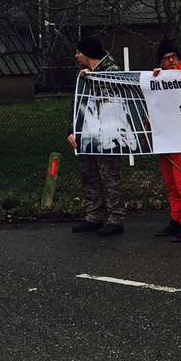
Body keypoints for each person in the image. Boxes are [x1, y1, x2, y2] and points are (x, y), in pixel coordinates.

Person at [67, 36, 125, 237]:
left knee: (109, 174)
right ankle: (94, 215)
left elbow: (114, 97)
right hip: (87, 132)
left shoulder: (112, 71)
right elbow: (77, 104)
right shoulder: (82, 75)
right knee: (89, 173)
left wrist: (91, 79)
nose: (76, 56)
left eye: (78, 52)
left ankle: (115, 218)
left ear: (87, 54)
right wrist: (71, 130)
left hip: (108, 132)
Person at [150, 40, 181, 243]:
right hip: (165, 137)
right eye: (166, 58)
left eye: (174, 57)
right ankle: (176, 219)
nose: (171, 61)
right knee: (171, 183)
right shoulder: (159, 77)